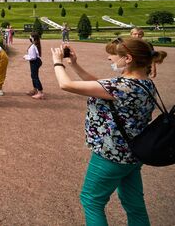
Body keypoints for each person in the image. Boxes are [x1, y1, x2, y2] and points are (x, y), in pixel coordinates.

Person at [51, 38, 167, 225]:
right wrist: (74, 64)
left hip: (111, 155)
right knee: (134, 205)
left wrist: (58, 62)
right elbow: (97, 85)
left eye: (114, 55)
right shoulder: (145, 84)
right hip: (133, 154)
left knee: (91, 200)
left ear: (128, 58)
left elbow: (66, 85)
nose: (109, 58)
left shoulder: (121, 86)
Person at [24, 32, 44, 99]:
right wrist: (27, 56)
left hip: (34, 62)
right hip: (35, 61)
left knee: (35, 77)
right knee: (33, 76)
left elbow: (33, 57)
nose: (29, 38)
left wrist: (26, 57)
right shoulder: (34, 45)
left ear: (33, 38)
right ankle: (35, 89)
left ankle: (40, 92)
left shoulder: (33, 46)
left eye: (30, 37)